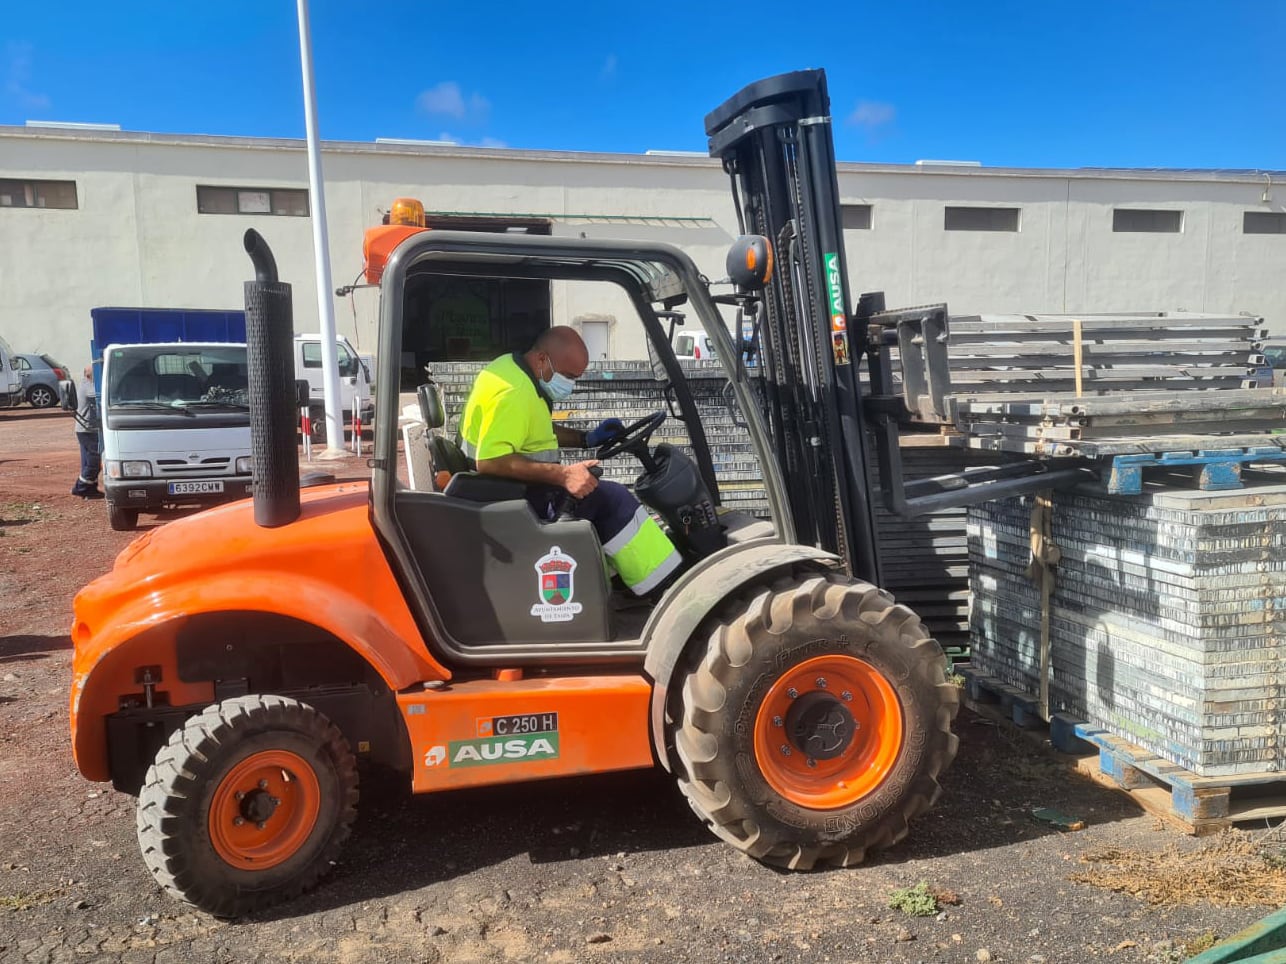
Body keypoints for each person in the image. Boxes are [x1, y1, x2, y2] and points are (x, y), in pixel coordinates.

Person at [459, 326, 683, 597]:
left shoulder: (515, 371)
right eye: (567, 376)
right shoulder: (514, 390)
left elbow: (535, 430)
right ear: (542, 359)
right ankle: (667, 587)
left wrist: (587, 439)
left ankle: (624, 580)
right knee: (612, 498)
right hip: (517, 502)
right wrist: (563, 475)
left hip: (514, 493)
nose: (570, 384)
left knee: (602, 495)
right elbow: (490, 460)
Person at [71, 364, 103, 499]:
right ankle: (80, 487)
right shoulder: (87, 386)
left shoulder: (87, 384)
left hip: (87, 429)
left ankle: (90, 489)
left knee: (87, 461)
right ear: (89, 375)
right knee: (94, 460)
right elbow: (98, 395)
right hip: (87, 430)